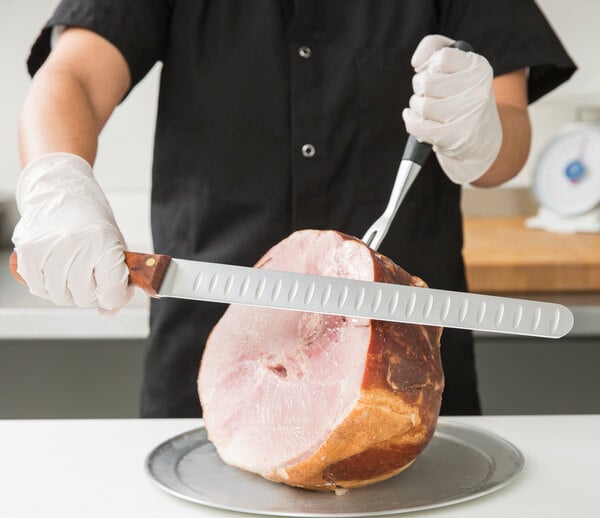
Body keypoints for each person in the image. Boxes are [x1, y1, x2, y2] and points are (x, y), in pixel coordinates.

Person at [13, 1, 576, 418]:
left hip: (406, 378)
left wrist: (479, 132)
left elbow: (506, 138)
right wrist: (57, 183)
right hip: (206, 373)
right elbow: (75, 76)